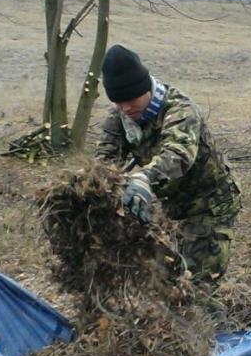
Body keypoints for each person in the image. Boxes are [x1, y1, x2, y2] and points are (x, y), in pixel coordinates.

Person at [94, 44, 242, 286]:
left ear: (145, 89)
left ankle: (211, 323)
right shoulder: (120, 118)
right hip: (172, 207)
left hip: (211, 203)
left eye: (131, 99)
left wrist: (143, 177)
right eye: (119, 102)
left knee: (196, 284)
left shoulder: (180, 110)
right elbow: (105, 160)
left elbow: (178, 155)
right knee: (164, 279)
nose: (125, 108)